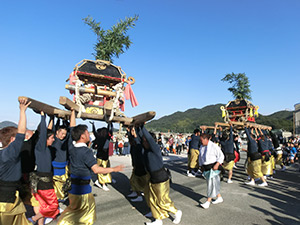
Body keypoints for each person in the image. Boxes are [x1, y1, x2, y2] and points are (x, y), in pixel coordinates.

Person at [57, 110, 123, 225]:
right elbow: (96, 170)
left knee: (74, 212)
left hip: (73, 189)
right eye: (87, 133)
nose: (89, 135)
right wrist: (113, 169)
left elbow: (72, 128)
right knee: (86, 217)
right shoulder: (86, 152)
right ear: (82, 136)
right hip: (82, 192)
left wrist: (73, 111)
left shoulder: (71, 147)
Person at [136, 125, 182, 225]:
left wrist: (142, 126)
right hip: (152, 177)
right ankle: (158, 219)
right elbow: (140, 139)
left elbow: (147, 138)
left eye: (145, 141)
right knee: (153, 199)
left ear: (150, 141)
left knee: (162, 200)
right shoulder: (145, 149)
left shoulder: (155, 148)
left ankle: (176, 212)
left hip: (161, 177)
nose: (143, 142)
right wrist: (137, 128)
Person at [0, 98, 32, 225]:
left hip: (11, 198)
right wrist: (22, 111)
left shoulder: (2, 153)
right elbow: (21, 133)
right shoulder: (10, 153)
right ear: (12, 140)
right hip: (6, 203)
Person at [29, 112, 60, 225]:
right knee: (53, 206)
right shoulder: (40, 147)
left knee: (43, 205)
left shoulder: (46, 148)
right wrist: (43, 117)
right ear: (46, 139)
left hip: (43, 180)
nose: (53, 139)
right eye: (51, 138)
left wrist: (52, 119)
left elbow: (48, 131)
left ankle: (39, 223)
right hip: (43, 182)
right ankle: (33, 219)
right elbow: (43, 133)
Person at [198, 133, 224, 209]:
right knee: (213, 184)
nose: (201, 142)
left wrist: (217, 164)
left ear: (206, 139)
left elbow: (221, 156)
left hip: (213, 167)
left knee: (211, 185)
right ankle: (219, 197)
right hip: (205, 167)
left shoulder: (214, 146)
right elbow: (201, 157)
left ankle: (208, 201)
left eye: (202, 140)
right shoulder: (202, 146)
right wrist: (200, 165)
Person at [48, 118, 70, 202]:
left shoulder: (64, 141)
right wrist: (52, 118)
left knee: (63, 183)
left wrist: (65, 120)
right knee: (56, 184)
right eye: (62, 133)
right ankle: (56, 199)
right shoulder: (53, 140)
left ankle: (60, 197)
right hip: (55, 167)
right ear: (57, 132)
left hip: (64, 166)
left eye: (65, 134)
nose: (63, 135)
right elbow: (50, 130)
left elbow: (70, 132)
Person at [91, 121, 113, 191]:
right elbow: (110, 130)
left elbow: (94, 131)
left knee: (102, 170)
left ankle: (100, 181)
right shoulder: (107, 138)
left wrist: (93, 125)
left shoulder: (98, 137)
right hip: (105, 156)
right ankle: (103, 184)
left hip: (99, 156)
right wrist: (110, 123)